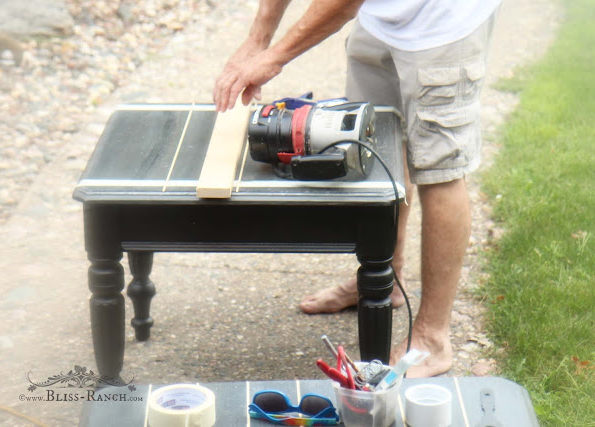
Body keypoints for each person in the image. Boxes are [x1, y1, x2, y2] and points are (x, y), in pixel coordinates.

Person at [213, 0, 501, 378]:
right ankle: (387, 278)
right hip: (380, 18)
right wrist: (258, 40)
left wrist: (276, 56)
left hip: (444, 24)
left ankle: (433, 337)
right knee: (376, 148)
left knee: (439, 170)